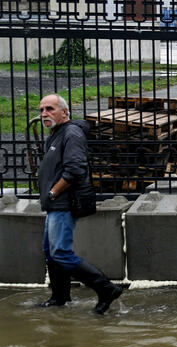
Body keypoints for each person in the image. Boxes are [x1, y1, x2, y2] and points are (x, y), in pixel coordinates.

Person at [35, 93, 123, 314]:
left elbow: (75, 169)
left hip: (63, 203)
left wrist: (53, 192)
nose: (44, 113)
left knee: (60, 252)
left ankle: (106, 289)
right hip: (54, 204)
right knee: (50, 251)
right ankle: (60, 298)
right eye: (42, 110)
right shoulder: (55, 134)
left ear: (64, 112)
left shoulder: (71, 133)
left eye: (50, 109)